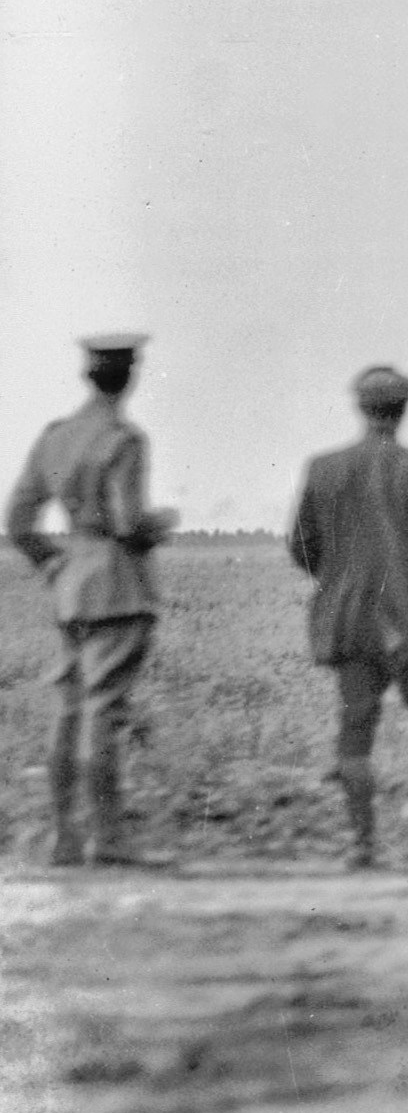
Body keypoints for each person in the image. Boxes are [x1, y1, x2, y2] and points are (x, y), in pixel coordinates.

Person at [288, 365, 408, 867]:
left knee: (355, 732)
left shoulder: (323, 468)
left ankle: (363, 847)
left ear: (360, 407)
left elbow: (301, 547)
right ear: (404, 409)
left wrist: (338, 584)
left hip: (349, 622)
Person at [8, 332, 178, 866]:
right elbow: (129, 522)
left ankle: (66, 838)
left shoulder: (55, 436)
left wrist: (53, 563)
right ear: (129, 377)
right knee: (105, 712)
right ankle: (109, 841)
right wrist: (162, 524)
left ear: (88, 376)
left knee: (69, 711)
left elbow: (18, 521)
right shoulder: (124, 438)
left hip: (71, 586)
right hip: (118, 587)